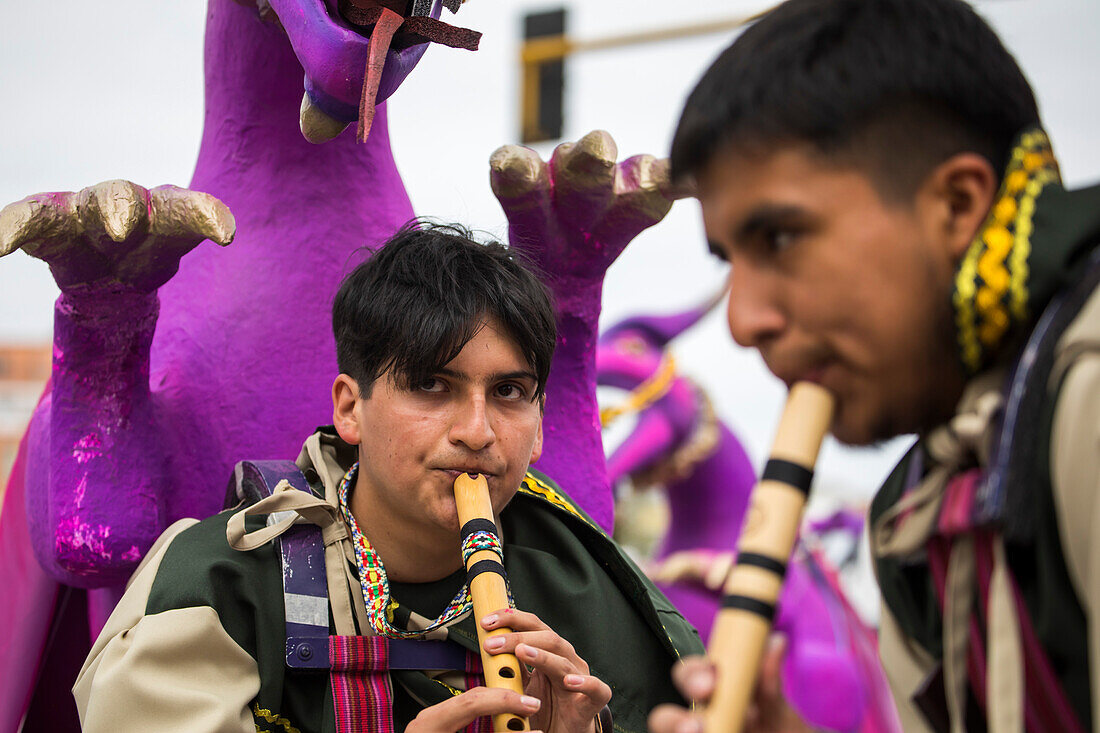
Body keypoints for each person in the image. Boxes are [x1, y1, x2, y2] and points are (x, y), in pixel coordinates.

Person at [647, 0, 1100, 731]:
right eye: (731, 258)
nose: (742, 321)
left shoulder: (1085, 389)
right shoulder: (917, 506)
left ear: (957, 203)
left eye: (781, 238)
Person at [73, 223, 702, 732]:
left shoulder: (590, 590)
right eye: (432, 385)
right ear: (350, 408)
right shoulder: (215, 581)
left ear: (539, 427)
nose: (478, 432)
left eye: (509, 392)